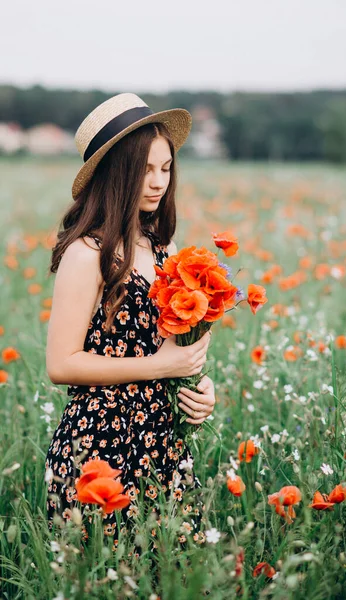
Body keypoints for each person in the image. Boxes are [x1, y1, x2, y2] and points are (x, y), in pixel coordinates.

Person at [44, 92, 216, 552]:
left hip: (163, 445)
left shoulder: (165, 249)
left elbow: (174, 348)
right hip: (99, 449)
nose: (158, 182)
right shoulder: (88, 254)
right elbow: (61, 364)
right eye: (144, 170)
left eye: (165, 168)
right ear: (116, 171)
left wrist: (199, 386)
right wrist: (161, 368)